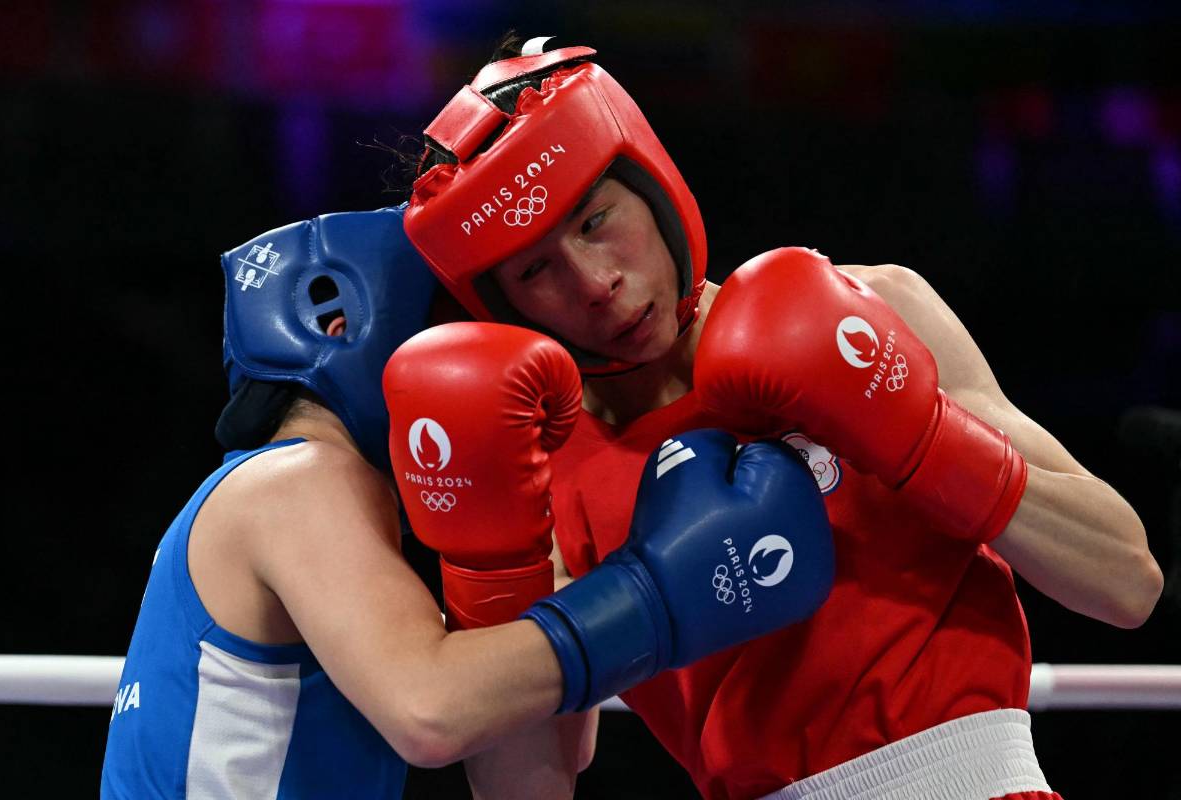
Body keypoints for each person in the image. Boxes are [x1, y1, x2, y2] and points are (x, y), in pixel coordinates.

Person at [402, 37, 1164, 800]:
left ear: (651, 184)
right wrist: (493, 572)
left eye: (596, 220)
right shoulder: (541, 477)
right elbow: (523, 792)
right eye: (536, 269)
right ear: (503, 304)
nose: (595, 283)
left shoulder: (871, 313)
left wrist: (924, 439)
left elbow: (1126, 583)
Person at [98, 205, 837, 799]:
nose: (489, 351)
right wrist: (653, 596)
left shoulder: (291, 502)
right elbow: (431, 711)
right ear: (339, 323)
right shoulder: (294, 481)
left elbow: (539, 740)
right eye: (450, 327)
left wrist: (528, 551)